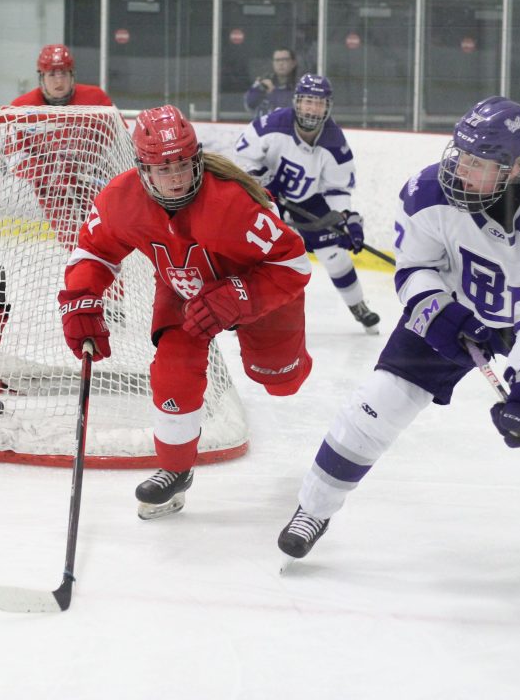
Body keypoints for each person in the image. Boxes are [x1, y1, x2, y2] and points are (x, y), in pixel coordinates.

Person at [276, 96, 520, 590]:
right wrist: (440, 315)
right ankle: (312, 510)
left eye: (478, 163)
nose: (460, 169)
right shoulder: (426, 192)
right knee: (379, 403)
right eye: (459, 155)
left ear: (517, 169)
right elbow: (415, 268)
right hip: (457, 310)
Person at [59, 105, 313, 519]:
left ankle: (290, 361)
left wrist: (237, 297)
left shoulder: (233, 203)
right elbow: (94, 251)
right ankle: (175, 469)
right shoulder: (121, 201)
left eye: (181, 164)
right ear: (142, 168)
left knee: (280, 379)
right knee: (172, 368)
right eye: (162, 168)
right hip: (184, 288)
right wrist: (81, 298)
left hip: (256, 287)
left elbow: (293, 265)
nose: (175, 177)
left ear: (196, 159)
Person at [234, 73, 380, 333]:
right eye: (307, 101)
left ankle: (358, 305)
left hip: (307, 200)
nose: (312, 108)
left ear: (328, 106)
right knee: (256, 253)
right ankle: (241, 308)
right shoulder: (273, 123)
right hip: (266, 195)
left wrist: (344, 217)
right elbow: (245, 154)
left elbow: (337, 187)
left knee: (335, 255)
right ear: (297, 102)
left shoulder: (334, 141)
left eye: (319, 103)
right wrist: (257, 179)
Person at [10, 43, 114, 107]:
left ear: (72, 76)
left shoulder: (96, 99)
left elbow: (119, 138)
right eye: (52, 75)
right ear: (42, 78)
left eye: (64, 74)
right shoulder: (21, 107)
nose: (59, 81)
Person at [244, 47, 298, 117]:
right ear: (273, 63)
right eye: (277, 60)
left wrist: (273, 94)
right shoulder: (264, 83)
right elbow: (249, 104)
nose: (281, 63)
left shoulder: (300, 87)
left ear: (293, 63)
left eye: (285, 60)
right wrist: (260, 89)